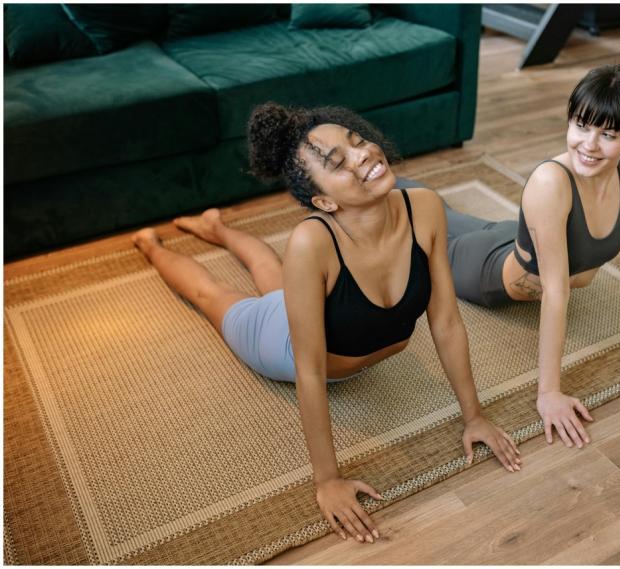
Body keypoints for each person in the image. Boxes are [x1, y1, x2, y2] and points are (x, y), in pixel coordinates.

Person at [132, 103, 521, 544]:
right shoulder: (312, 241)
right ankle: (151, 247)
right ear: (323, 201)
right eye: (338, 162)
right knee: (214, 297)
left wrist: (475, 416)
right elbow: (309, 371)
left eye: (357, 141)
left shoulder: (424, 207)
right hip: (280, 343)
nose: (363, 154)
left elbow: (446, 323)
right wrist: (327, 480)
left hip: (311, 307)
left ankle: (217, 229)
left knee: (273, 276)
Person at [442, 64, 620, 451]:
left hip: (507, 235)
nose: (588, 145)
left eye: (607, 134)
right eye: (580, 126)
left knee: (440, 213)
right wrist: (549, 393)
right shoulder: (550, 182)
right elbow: (555, 292)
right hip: (487, 272)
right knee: (421, 226)